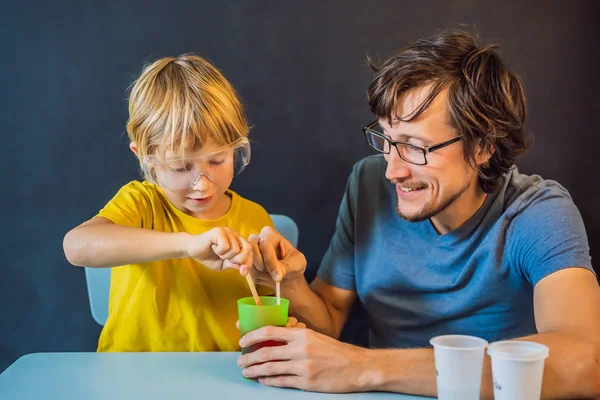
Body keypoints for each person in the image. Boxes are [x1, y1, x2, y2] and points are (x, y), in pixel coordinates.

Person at [237, 30, 600, 398]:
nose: (392, 171)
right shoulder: (367, 183)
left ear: (483, 146)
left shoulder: (537, 213)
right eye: (387, 140)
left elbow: (586, 363)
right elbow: (329, 318)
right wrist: (293, 283)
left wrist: (364, 368)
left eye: (415, 147)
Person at [63, 54, 275, 352]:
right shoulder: (141, 204)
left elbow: (268, 312)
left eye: (218, 160)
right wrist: (187, 245)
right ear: (141, 155)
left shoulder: (255, 217)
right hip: (132, 375)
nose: (202, 184)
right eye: (180, 168)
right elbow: (77, 246)